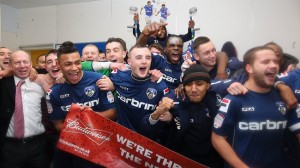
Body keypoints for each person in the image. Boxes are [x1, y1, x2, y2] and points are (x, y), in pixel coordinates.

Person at [212, 46, 287, 168]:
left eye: (275, 61)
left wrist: (283, 87)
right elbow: (217, 139)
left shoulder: (284, 97)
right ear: (249, 68)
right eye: (266, 62)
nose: (274, 65)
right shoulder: (234, 99)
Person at [47, 41, 116, 167]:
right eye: (68, 64)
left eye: (77, 63)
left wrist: (91, 116)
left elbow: (113, 112)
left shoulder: (98, 80)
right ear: (59, 65)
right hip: (72, 149)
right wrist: (79, 129)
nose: (74, 68)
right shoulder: (54, 93)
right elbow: (57, 124)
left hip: (101, 147)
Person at [141, 64, 223, 167]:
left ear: (207, 86)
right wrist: (158, 113)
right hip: (177, 162)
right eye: (189, 84)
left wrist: (239, 87)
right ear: (183, 86)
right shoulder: (173, 100)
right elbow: (146, 130)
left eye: (199, 84)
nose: (193, 89)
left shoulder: (215, 99)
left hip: (209, 162)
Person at [0, 50, 49, 168]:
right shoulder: (3, 83)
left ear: (31, 64)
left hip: (39, 146)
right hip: (9, 148)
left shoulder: (39, 82)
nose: (22, 65)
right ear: (11, 66)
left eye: (25, 62)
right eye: (17, 63)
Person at [107, 44, 169, 134]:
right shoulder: (118, 76)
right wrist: (110, 84)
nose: (144, 61)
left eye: (148, 58)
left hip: (147, 142)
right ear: (129, 62)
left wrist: (169, 116)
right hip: (121, 138)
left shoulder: (160, 86)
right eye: (138, 58)